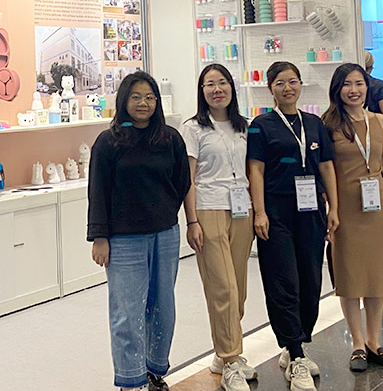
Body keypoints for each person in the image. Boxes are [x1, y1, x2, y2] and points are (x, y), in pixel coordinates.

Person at [88, 71, 191, 391]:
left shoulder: (170, 138)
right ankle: (131, 380)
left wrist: (172, 213)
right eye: (136, 97)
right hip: (123, 239)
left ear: (157, 102)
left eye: (149, 97)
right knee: (127, 311)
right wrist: (100, 237)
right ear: (124, 101)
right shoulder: (109, 141)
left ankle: (153, 370)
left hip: (165, 235)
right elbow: (97, 191)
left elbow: (183, 182)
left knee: (162, 307)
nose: (143, 103)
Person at [247, 62, 339, 391]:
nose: (288, 88)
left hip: (311, 209)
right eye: (280, 83)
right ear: (270, 88)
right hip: (277, 211)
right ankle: (296, 353)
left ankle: (296, 343)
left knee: (311, 279)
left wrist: (334, 207)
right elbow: (255, 170)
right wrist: (260, 212)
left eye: (293, 82)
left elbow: (326, 166)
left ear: (300, 85)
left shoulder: (314, 123)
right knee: (283, 280)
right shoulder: (262, 125)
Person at [322, 63, 383, 372]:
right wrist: (330, 208)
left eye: (359, 83)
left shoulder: (380, 121)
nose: (353, 90)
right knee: (349, 276)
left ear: (367, 87)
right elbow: (325, 171)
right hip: (344, 210)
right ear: (337, 89)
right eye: (347, 84)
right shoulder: (328, 124)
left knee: (375, 276)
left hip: (375, 209)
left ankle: (374, 342)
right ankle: (357, 343)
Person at [181, 64, 257, 391]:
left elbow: (253, 171)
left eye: (222, 82)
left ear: (231, 87)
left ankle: (223, 353)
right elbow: (188, 178)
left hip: (242, 209)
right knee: (222, 287)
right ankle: (230, 360)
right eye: (209, 84)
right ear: (202, 91)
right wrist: (192, 221)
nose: (217, 89)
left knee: (238, 289)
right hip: (208, 208)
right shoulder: (193, 128)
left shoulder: (245, 126)